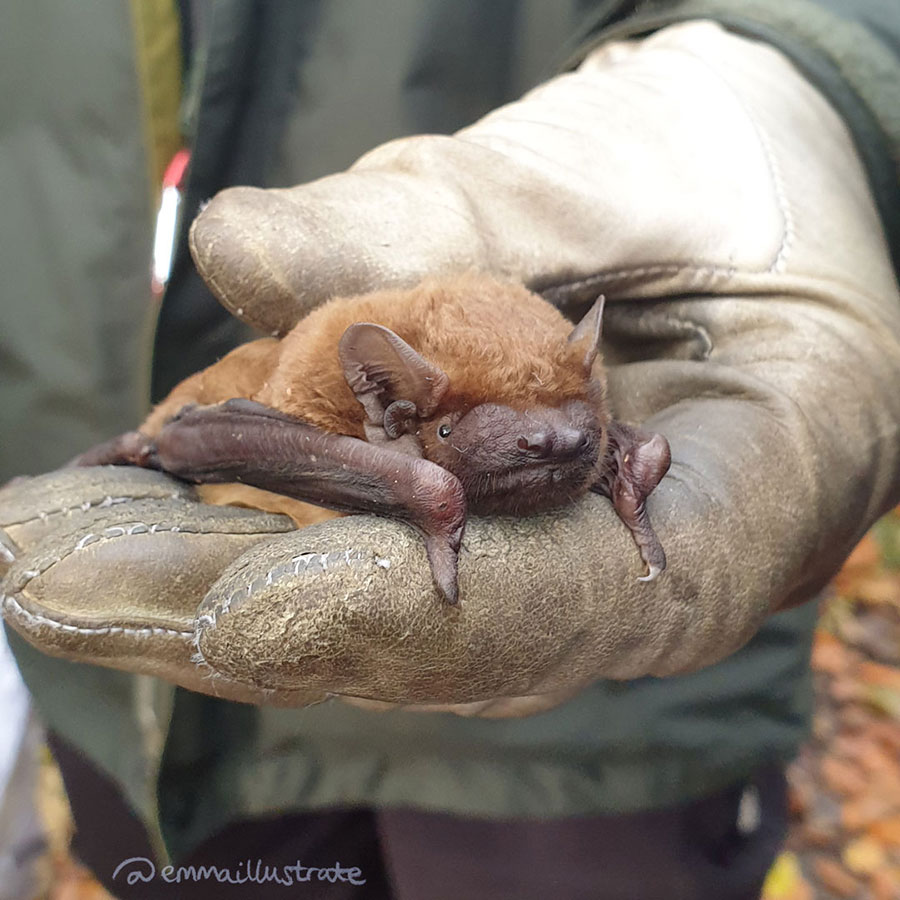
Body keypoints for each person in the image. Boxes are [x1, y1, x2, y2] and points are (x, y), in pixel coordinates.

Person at [1, 2, 899, 898]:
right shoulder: (310, 406)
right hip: (136, 699)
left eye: (572, 416)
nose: (554, 443)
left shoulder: (584, 409)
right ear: (390, 408)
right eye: (489, 428)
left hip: (601, 755)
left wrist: (819, 82)